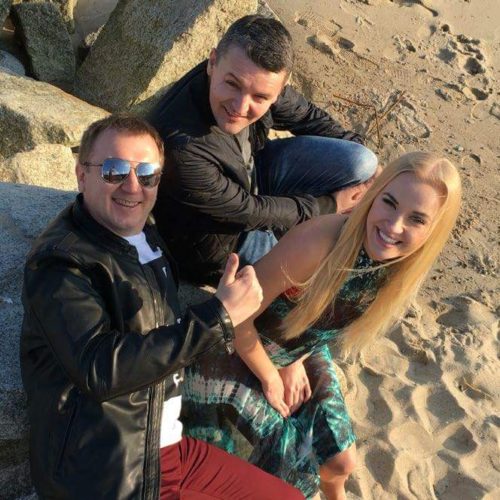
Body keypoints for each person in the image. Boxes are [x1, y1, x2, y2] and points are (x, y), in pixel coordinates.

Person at [20, 115, 304, 499]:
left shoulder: (144, 231)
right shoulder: (61, 263)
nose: (132, 186)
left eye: (147, 174)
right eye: (114, 170)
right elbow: (99, 368)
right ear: (82, 175)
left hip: (167, 444)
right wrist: (219, 316)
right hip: (112, 470)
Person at [181, 152, 462, 499]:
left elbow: (316, 324)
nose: (393, 226)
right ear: (374, 196)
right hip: (228, 351)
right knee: (289, 469)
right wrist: (272, 376)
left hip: (292, 352)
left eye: (416, 219)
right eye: (389, 203)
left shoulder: (396, 269)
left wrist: (295, 361)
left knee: (341, 461)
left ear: (433, 231)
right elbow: (235, 319)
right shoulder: (320, 243)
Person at [149, 14, 378, 284]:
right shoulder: (182, 149)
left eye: (260, 97)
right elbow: (246, 211)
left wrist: (370, 164)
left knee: (362, 162)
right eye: (232, 84)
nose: (240, 107)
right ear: (212, 62)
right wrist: (330, 205)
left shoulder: (255, 76)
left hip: (255, 174)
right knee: (322, 277)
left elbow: (306, 116)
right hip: (227, 239)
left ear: (278, 91)